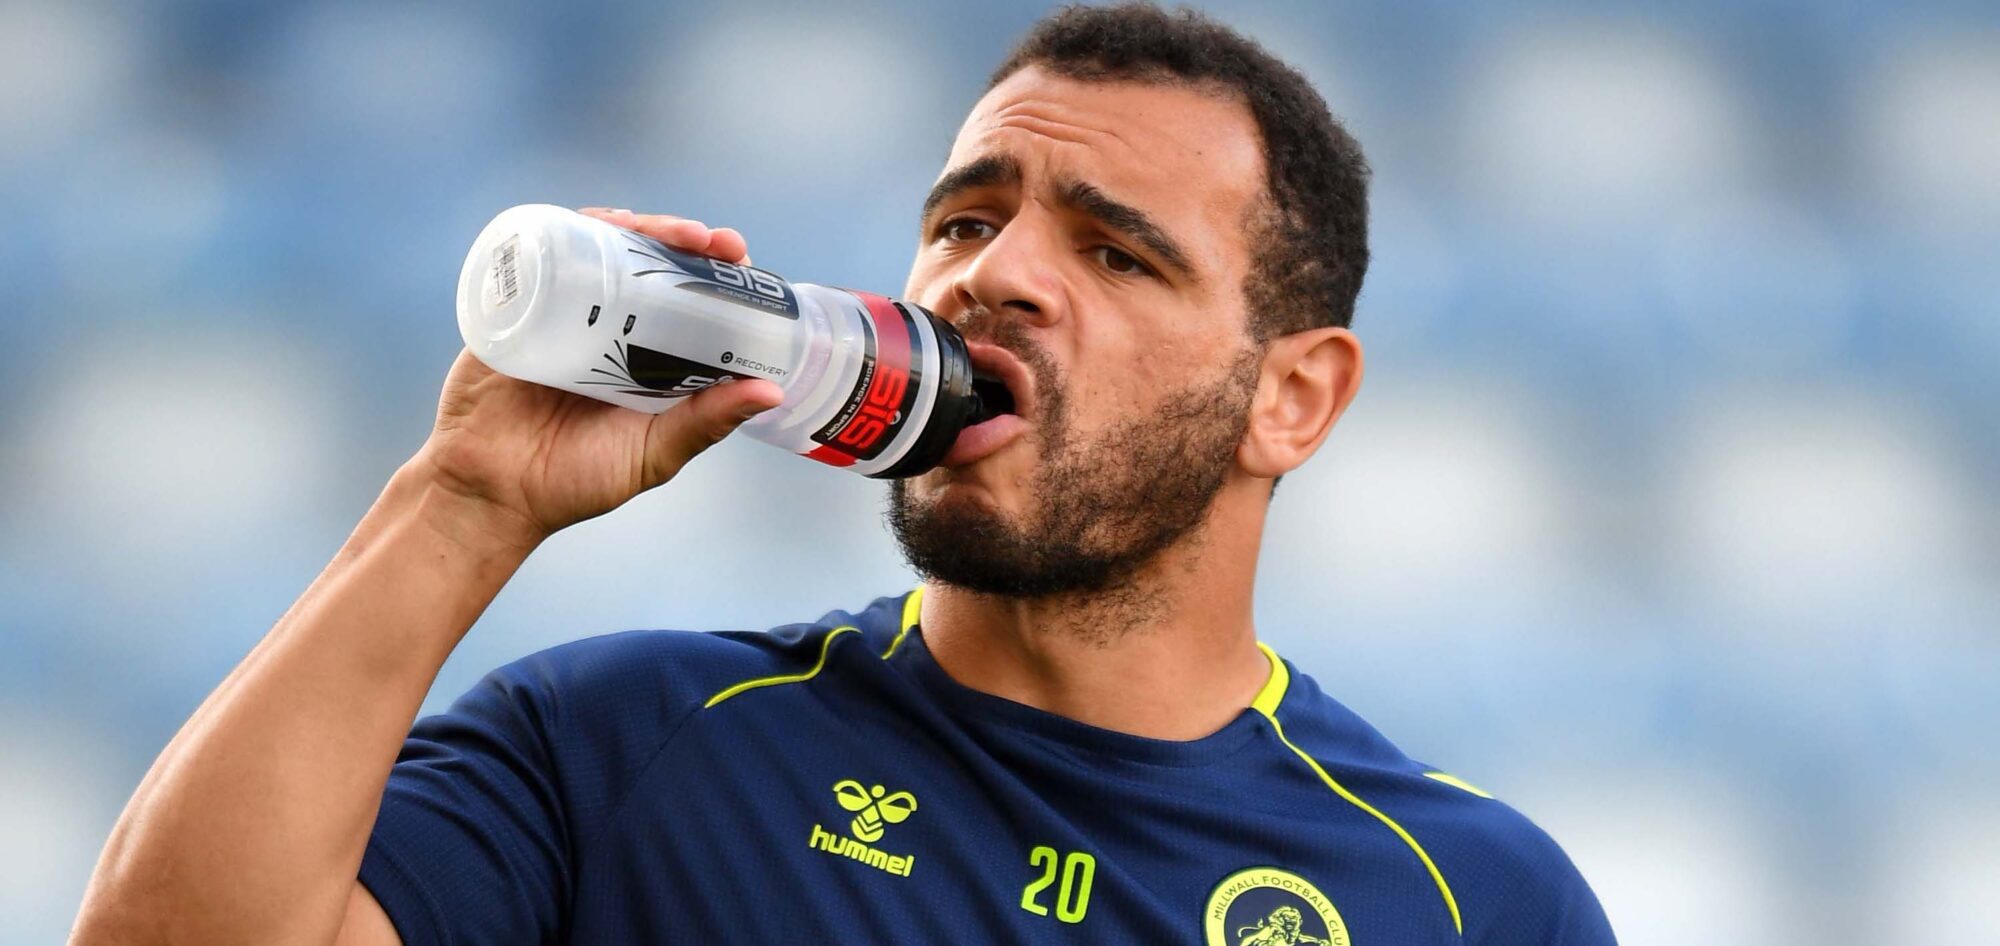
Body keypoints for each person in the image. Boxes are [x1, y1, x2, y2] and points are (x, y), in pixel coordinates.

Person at [71, 4, 1615, 944]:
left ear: (1292, 397)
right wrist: (460, 500)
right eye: (965, 222)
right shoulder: (630, 741)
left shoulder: (1469, 898)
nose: (994, 276)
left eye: (1116, 252)